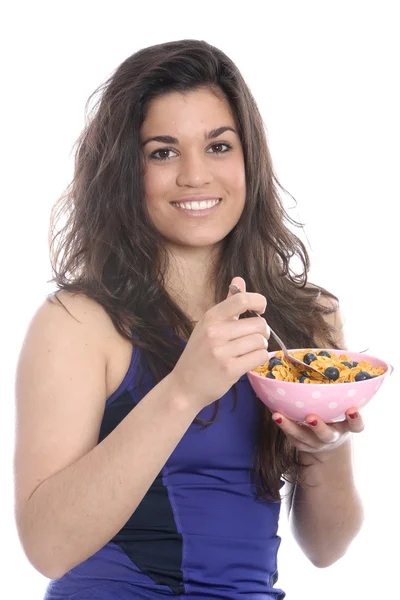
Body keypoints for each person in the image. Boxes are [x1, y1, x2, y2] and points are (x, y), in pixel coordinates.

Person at [14, 39, 365, 600]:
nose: (195, 176)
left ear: (248, 157)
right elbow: (47, 548)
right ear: (126, 170)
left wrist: (325, 450)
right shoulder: (77, 324)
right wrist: (184, 389)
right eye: (163, 152)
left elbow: (327, 548)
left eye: (219, 146)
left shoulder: (310, 320)